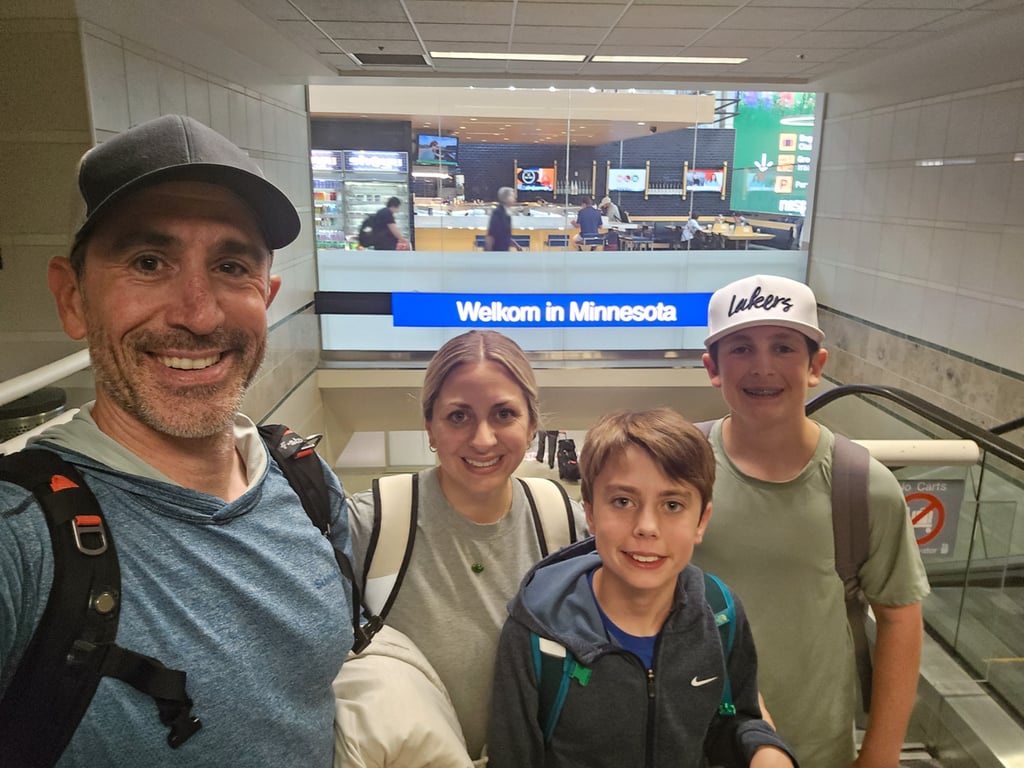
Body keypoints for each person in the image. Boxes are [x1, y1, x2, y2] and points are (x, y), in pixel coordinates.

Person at [0, 115, 354, 765]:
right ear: (72, 297)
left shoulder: (307, 486)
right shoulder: (23, 536)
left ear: (267, 295)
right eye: (148, 261)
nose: (197, 312)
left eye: (230, 264)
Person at [694, 274, 929, 768]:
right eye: (740, 349)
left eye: (783, 347)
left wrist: (880, 755)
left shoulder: (862, 485)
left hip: (815, 749)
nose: (762, 367)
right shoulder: (678, 470)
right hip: (689, 741)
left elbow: (899, 617)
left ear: (816, 366)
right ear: (712, 367)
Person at [487, 408, 797, 768]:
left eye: (672, 504)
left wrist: (764, 751)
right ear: (590, 512)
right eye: (623, 501)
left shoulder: (720, 613)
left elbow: (737, 719)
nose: (647, 527)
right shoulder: (538, 633)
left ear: (701, 521)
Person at [347, 330, 588, 763]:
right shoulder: (369, 526)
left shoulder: (567, 525)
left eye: (503, 414)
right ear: (430, 427)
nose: (482, 439)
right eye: (459, 416)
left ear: (531, 426)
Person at [485, 187, 523, 252]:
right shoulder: (498, 213)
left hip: (504, 251)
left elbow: (505, 236)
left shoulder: (506, 214)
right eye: (513, 196)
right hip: (496, 252)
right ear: (506, 198)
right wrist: (489, 254)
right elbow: (491, 235)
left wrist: (516, 245)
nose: (515, 198)